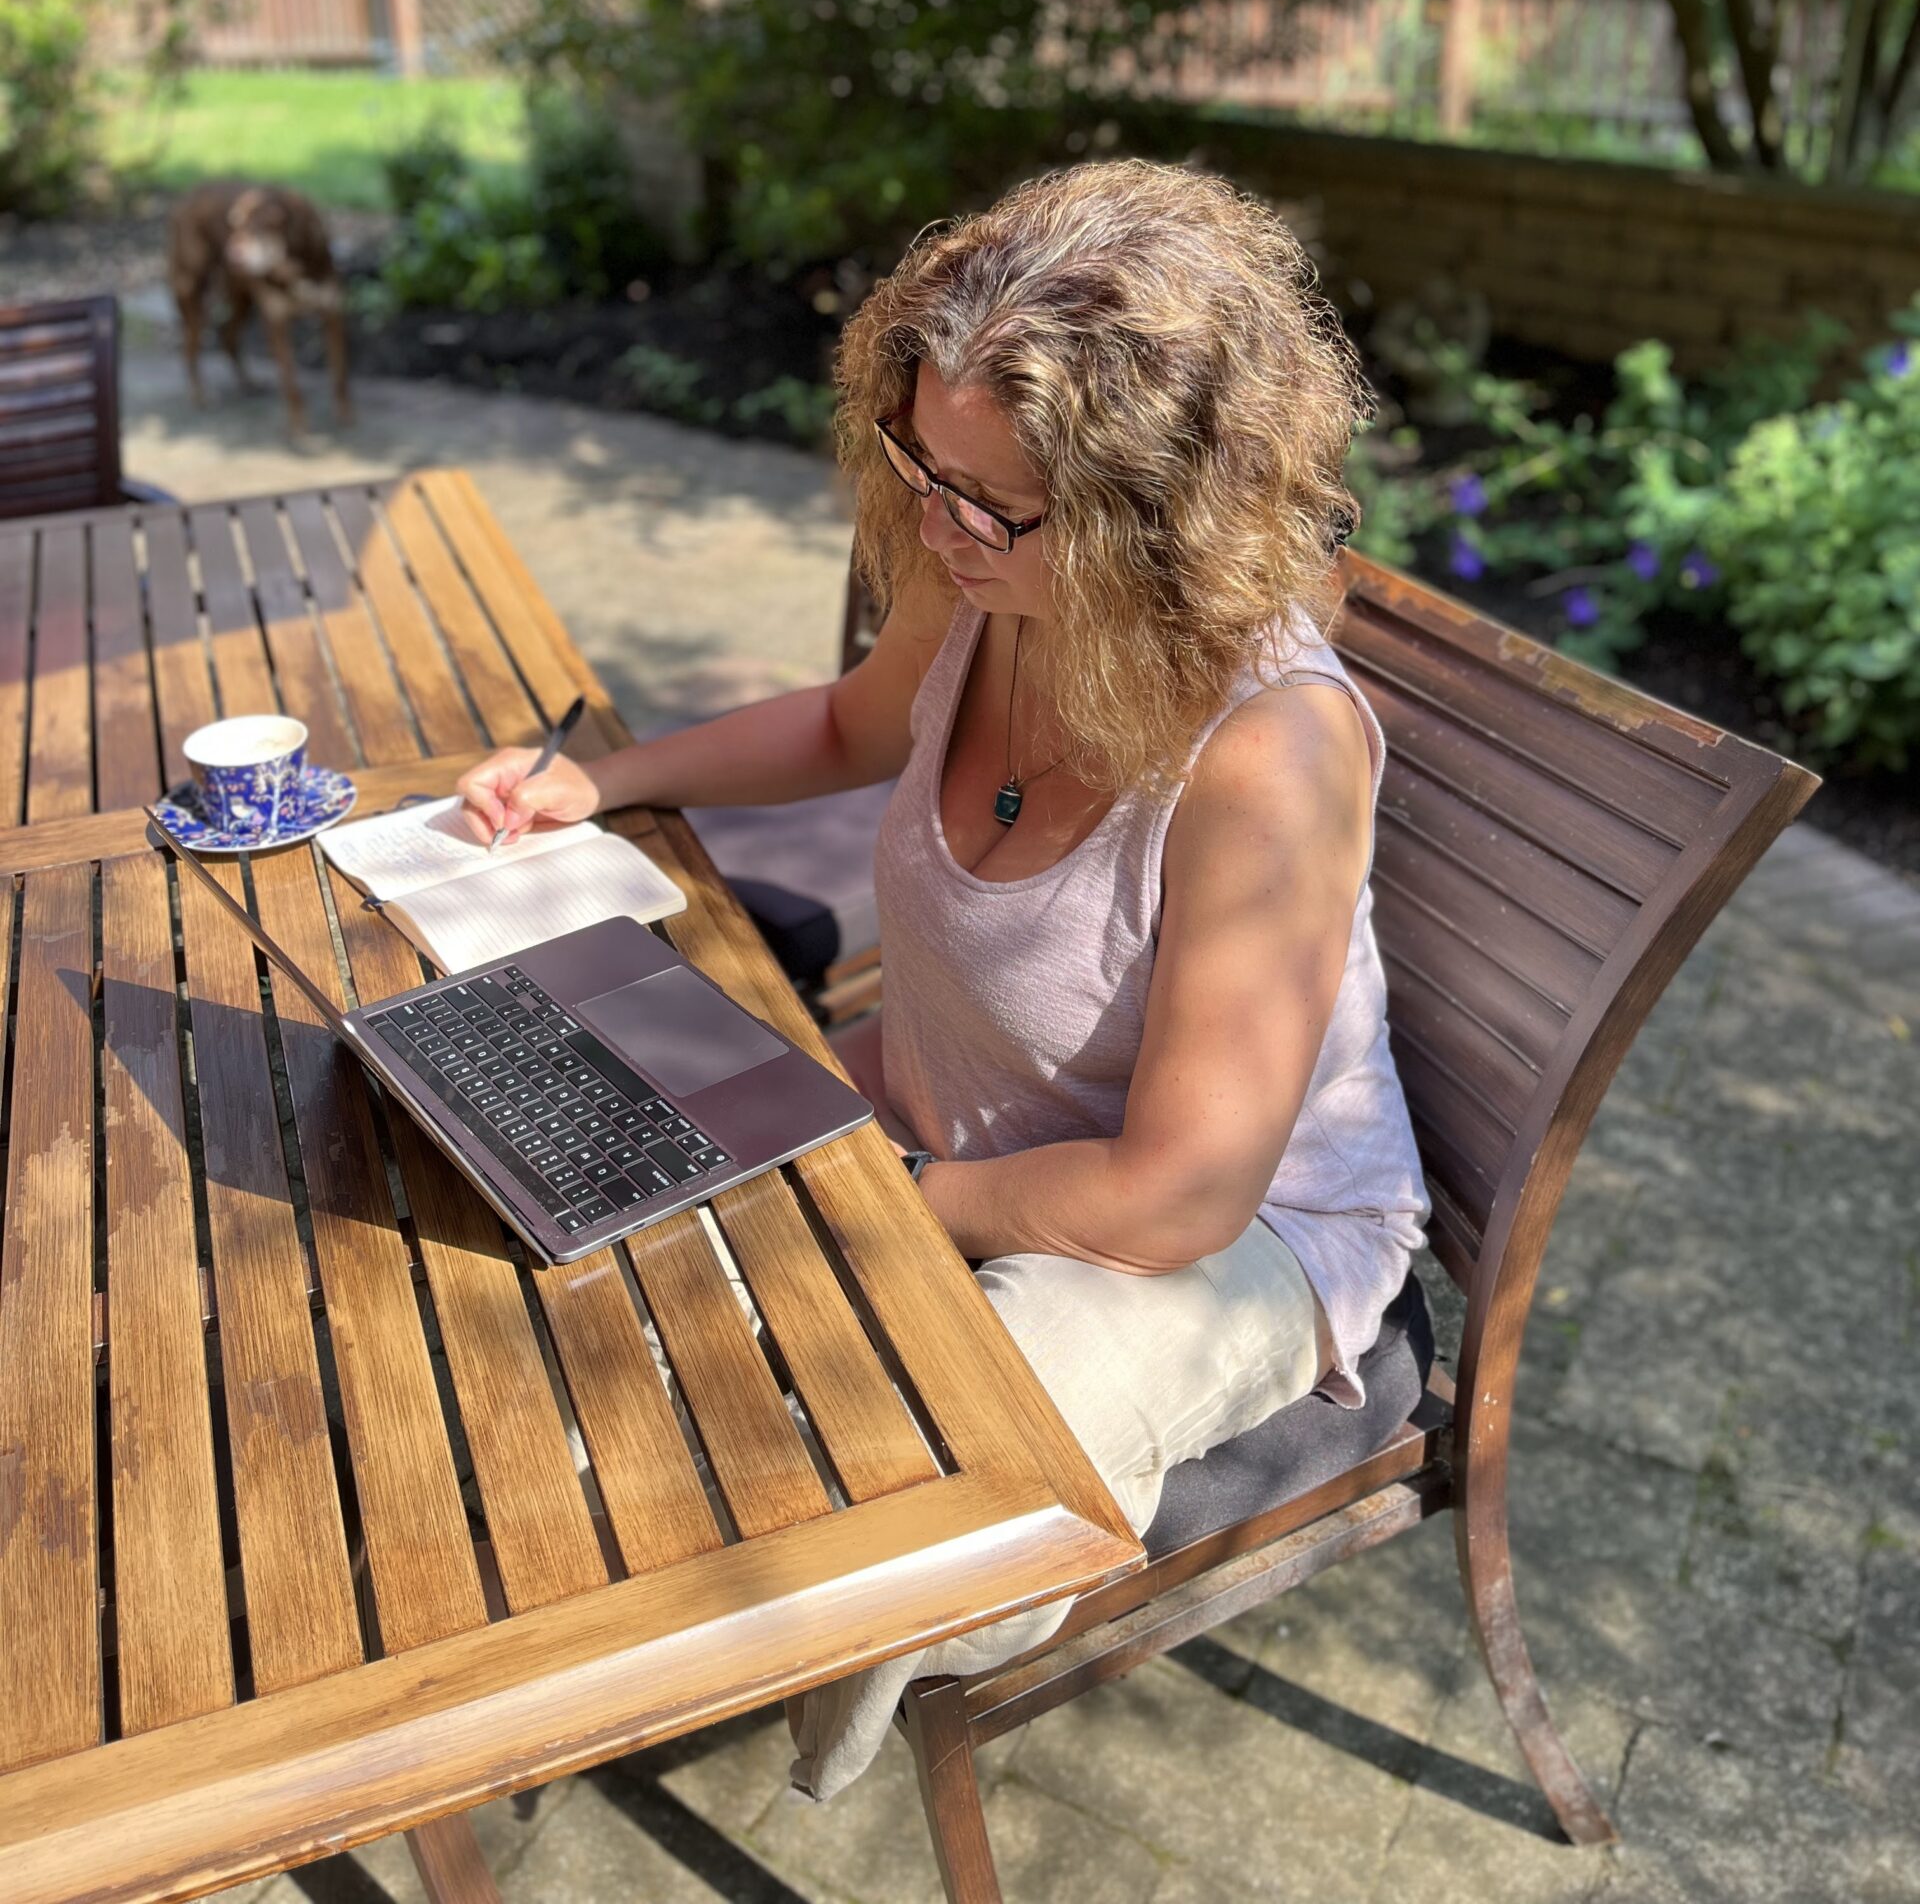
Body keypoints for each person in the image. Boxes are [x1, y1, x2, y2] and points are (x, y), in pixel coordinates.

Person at [456, 160, 1429, 1797]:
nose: (933, 522)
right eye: (919, 460)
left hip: (1228, 1234)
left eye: (988, 501)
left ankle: (703, 1678)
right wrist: (606, 781)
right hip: (943, 1119)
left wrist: (885, 1198)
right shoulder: (981, 569)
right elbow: (852, 725)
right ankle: (578, 1633)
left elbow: (1177, 1199)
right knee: (574, 1186)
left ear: (1157, 514)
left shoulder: (1271, 748)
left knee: (920, 1455)